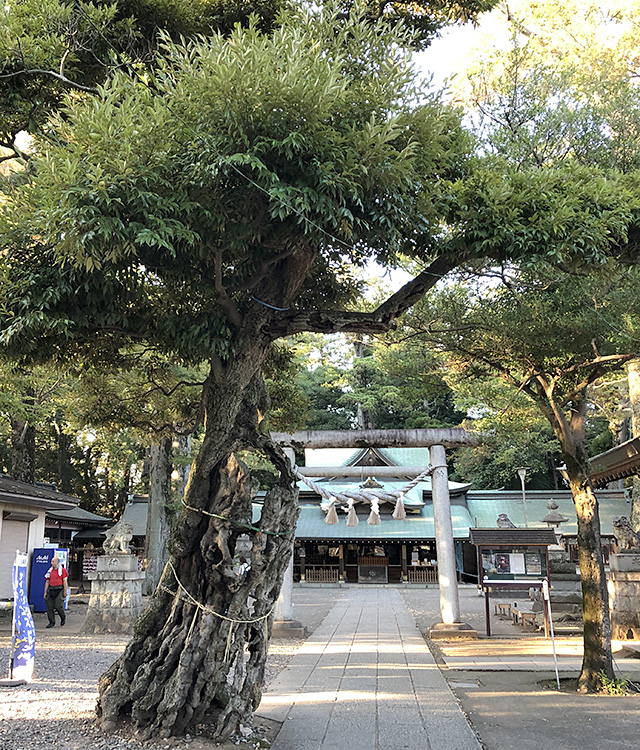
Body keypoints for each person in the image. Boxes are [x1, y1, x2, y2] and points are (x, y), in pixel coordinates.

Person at [44, 556, 69, 628]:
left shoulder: (62, 570)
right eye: (51, 561)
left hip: (59, 589)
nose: (51, 563)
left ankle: (63, 617)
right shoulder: (50, 571)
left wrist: (65, 591)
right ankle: (51, 622)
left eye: (53, 561)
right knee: (49, 606)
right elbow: (47, 581)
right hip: (51, 589)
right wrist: (45, 592)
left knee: (58, 606)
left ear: (57, 562)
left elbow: (65, 581)